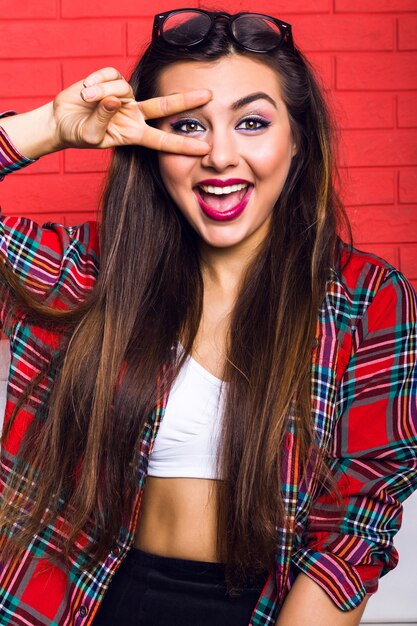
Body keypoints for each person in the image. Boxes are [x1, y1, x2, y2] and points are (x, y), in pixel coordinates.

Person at [0, 8, 416, 626]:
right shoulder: (85, 274)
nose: (220, 156)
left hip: (260, 608)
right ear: (148, 144)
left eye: (252, 122)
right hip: (78, 601)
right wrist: (49, 128)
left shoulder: (368, 297)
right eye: (187, 126)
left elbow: (351, 535)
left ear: (297, 140)